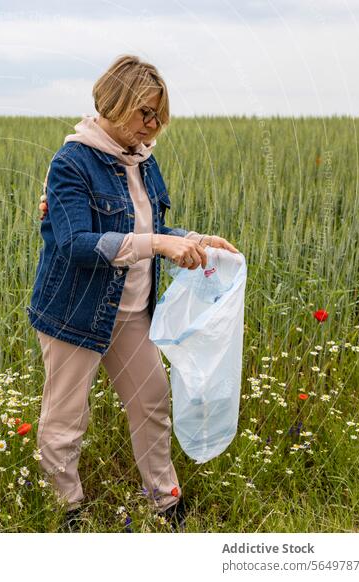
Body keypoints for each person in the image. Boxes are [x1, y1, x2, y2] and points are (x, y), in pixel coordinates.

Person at [26, 54, 239, 532]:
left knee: (153, 402)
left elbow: (151, 228)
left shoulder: (144, 161)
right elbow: (75, 244)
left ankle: (164, 502)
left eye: (159, 115)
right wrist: (160, 244)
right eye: (146, 113)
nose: (154, 125)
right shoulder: (72, 163)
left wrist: (195, 241)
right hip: (75, 312)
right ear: (116, 103)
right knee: (66, 420)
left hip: (131, 313)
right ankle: (66, 511)